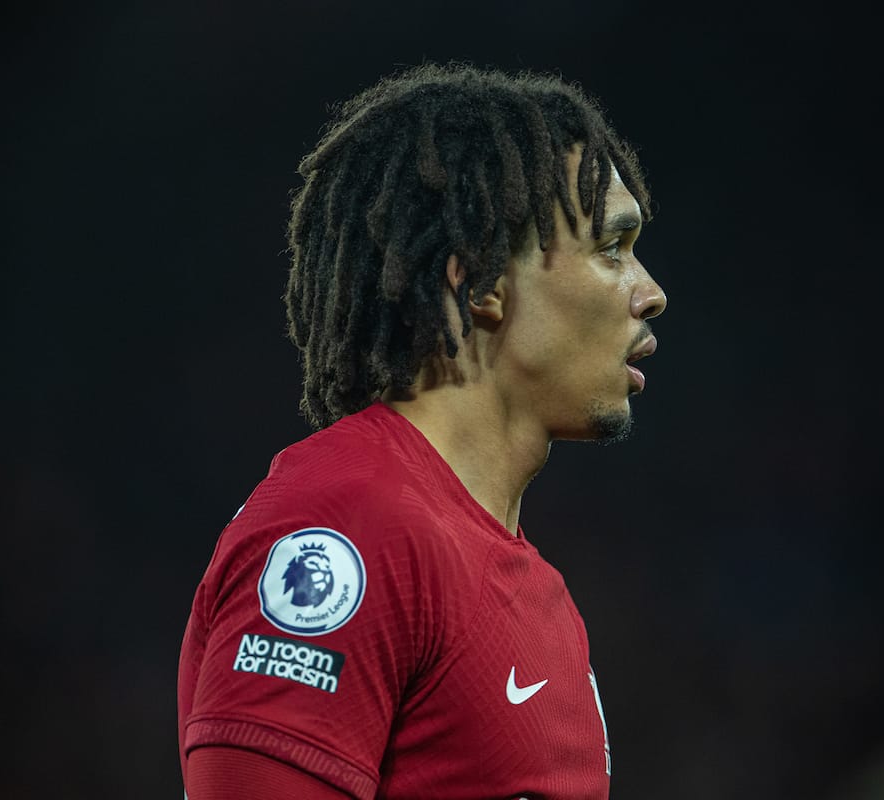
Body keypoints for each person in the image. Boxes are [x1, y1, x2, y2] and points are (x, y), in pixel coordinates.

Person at [176, 62, 667, 800]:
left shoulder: (537, 593)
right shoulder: (349, 521)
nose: (650, 293)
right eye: (611, 248)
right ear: (481, 282)